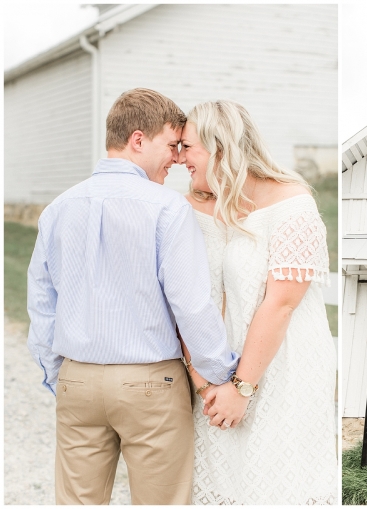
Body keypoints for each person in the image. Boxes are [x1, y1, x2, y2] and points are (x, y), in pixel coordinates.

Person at [26, 89, 245, 505]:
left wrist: (60, 373)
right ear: (139, 140)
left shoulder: (57, 209)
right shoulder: (167, 209)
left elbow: (42, 303)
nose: (177, 159)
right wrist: (223, 375)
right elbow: (190, 304)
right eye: (171, 145)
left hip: (77, 380)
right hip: (151, 384)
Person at [177, 100, 337, 504]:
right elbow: (183, 297)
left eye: (188, 147)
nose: (180, 158)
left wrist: (241, 389)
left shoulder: (291, 204)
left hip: (283, 367)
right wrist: (205, 385)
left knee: (275, 480)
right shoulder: (192, 205)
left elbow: (280, 304)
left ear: (220, 149)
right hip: (214, 374)